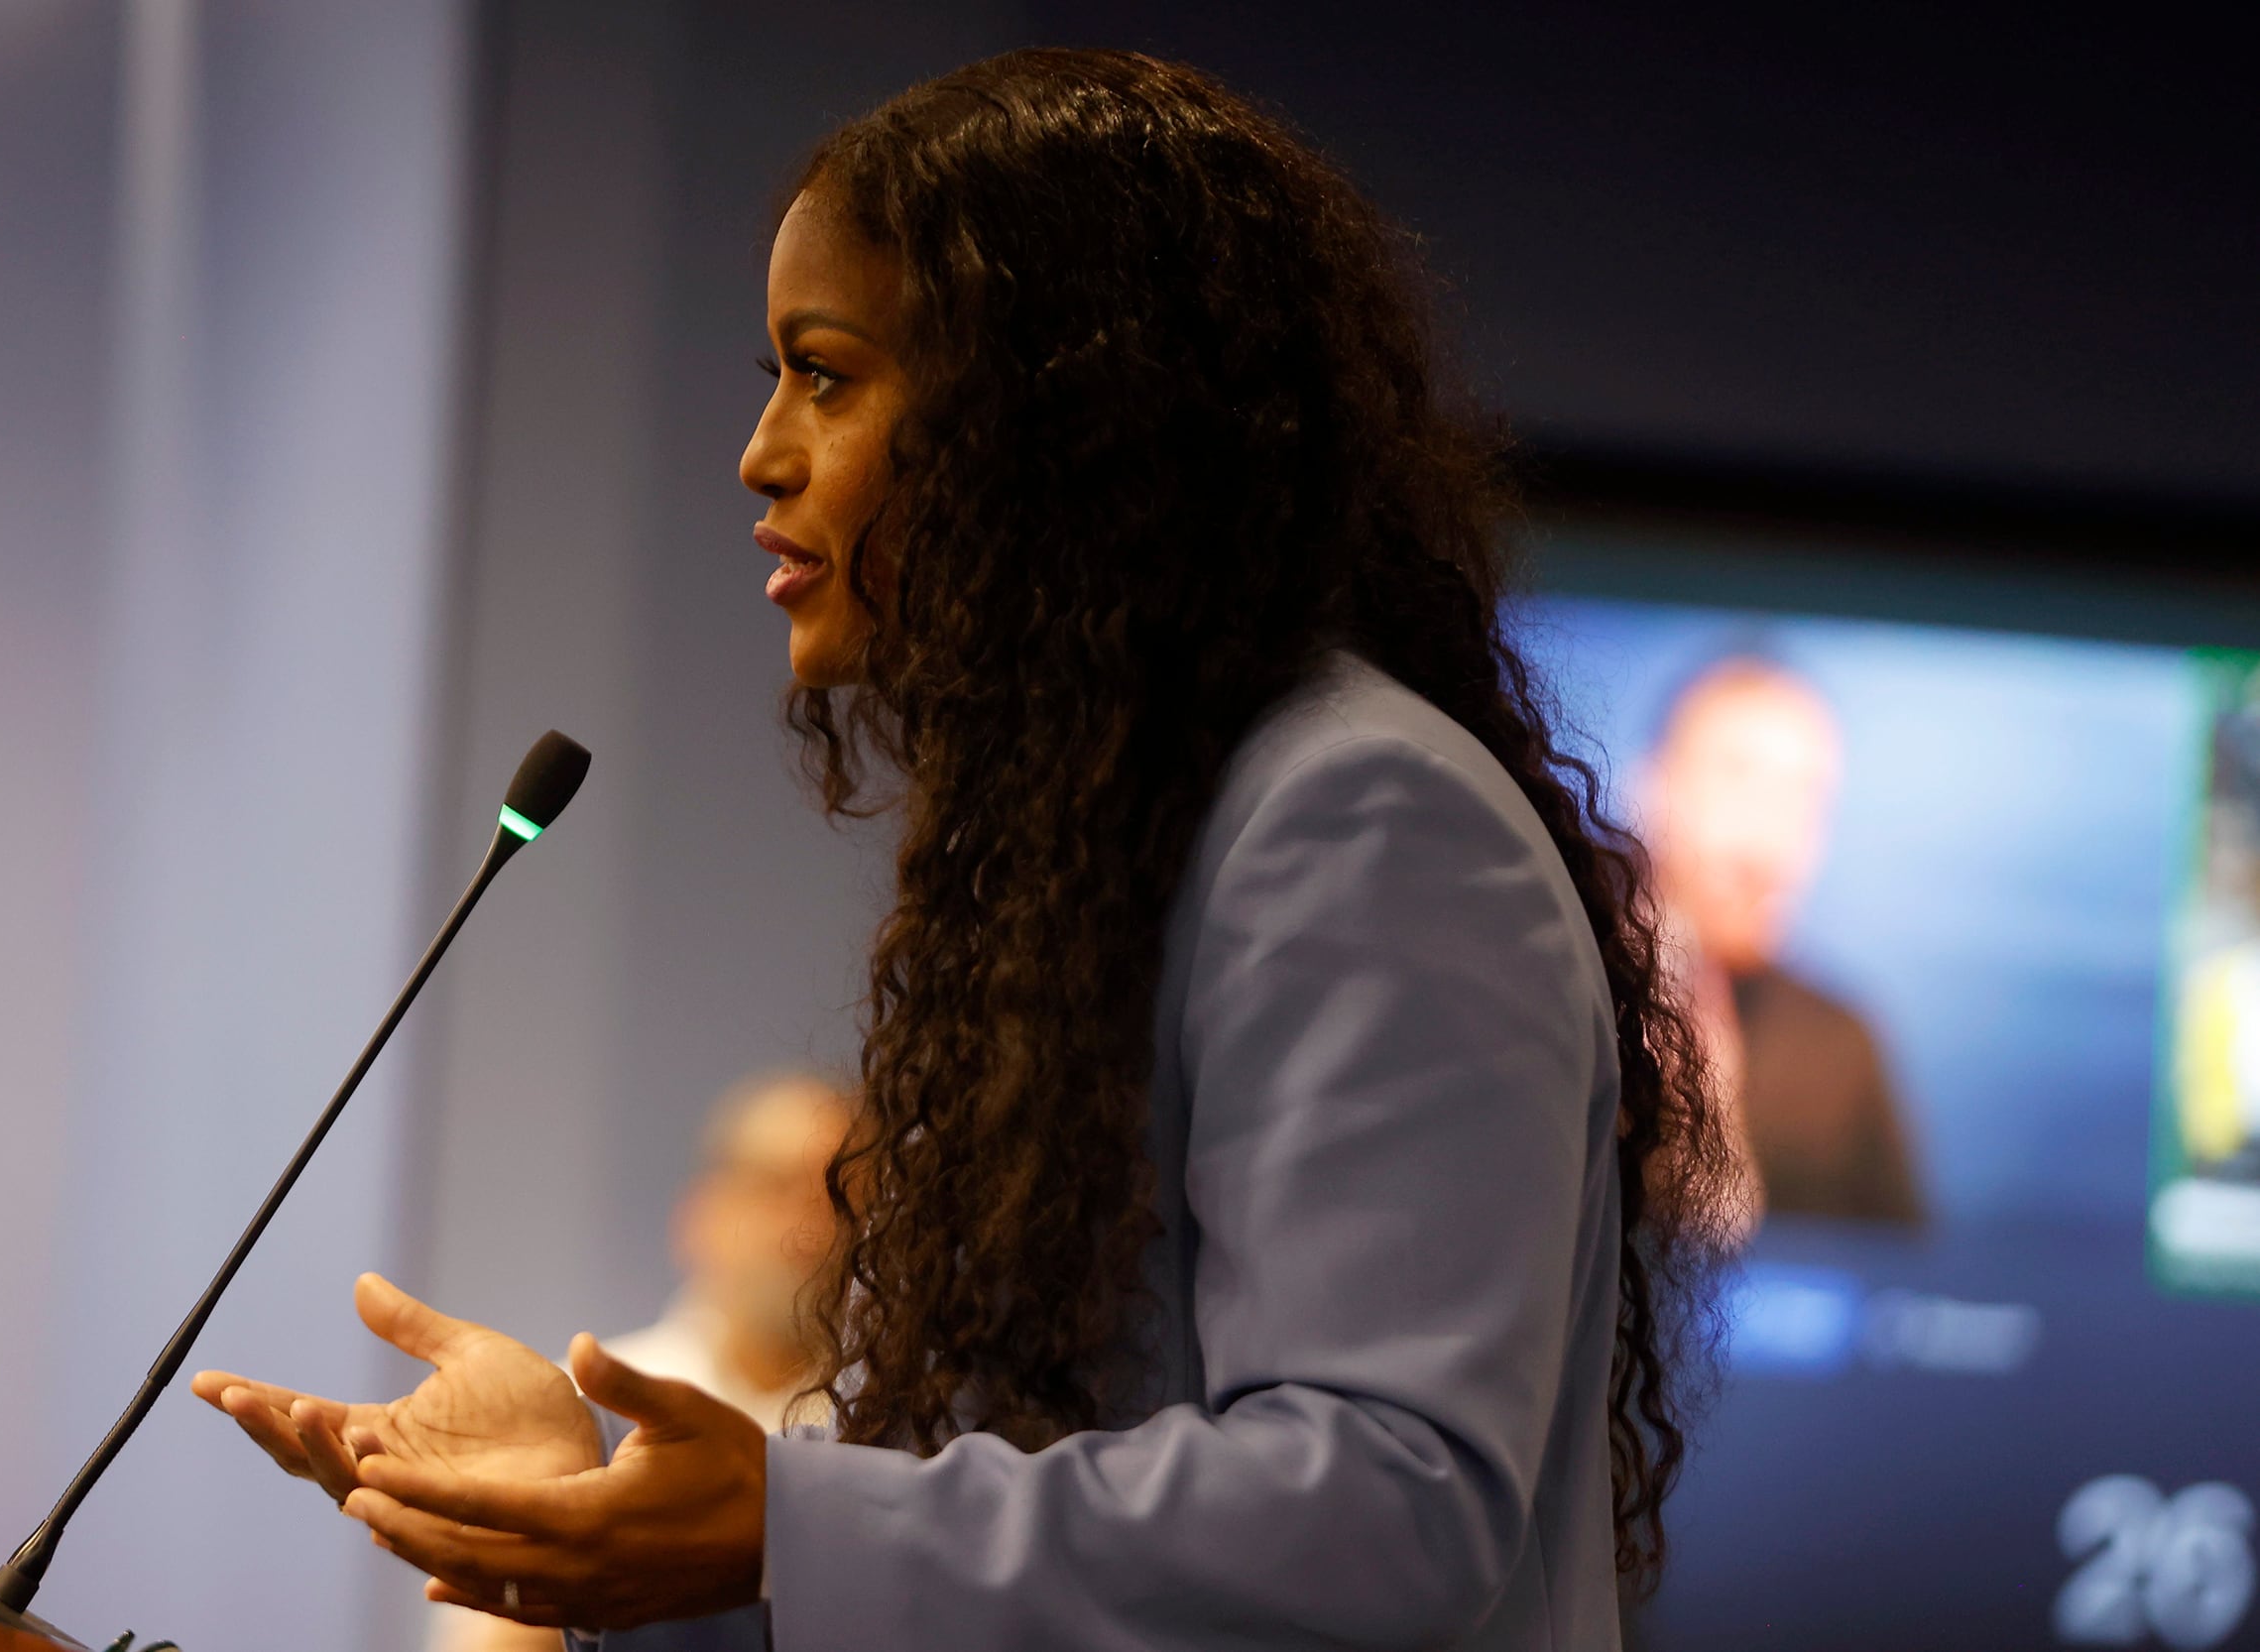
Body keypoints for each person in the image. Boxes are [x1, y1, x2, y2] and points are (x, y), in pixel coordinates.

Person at [193, 50, 1734, 1649]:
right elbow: (1025, 1568)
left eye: (827, 375)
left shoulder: (1359, 818)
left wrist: (778, 1521)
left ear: (1050, 421)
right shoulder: (1120, 836)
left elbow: (1387, 1510)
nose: (760, 453)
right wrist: (600, 1516)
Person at [429, 1072, 850, 1652]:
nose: (809, 1230)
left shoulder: (891, 1430)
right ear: (699, 1214)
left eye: (842, 1196)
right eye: (776, 1188)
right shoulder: (575, 1405)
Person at [1638, 655, 1925, 1230]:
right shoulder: (1557, 988)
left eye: (1805, 798)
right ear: (1651, 787)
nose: (1770, 842)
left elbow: (1908, 1277)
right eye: (1735, 777)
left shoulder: (1842, 1043)